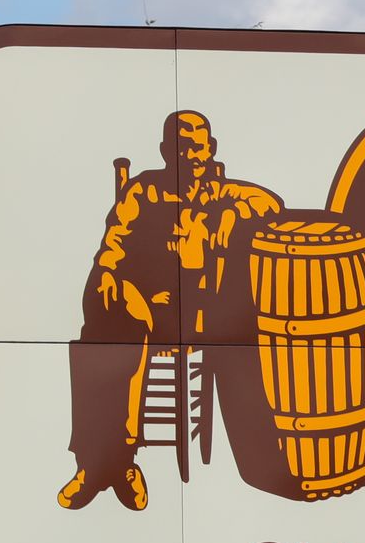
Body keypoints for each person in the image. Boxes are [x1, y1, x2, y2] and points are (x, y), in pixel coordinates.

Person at [58, 110, 282, 510]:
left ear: (210, 149)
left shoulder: (225, 194)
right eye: (181, 146)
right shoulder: (144, 191)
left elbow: (271, 205)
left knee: (113, 333)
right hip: (142, 309)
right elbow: (113, 243)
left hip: (198, 316)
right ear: (165, 151)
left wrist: (234, 216)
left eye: (197, 146)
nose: (190, 155)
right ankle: (105, 465)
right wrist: (107, 274)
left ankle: (109, 464)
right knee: (104, 320)